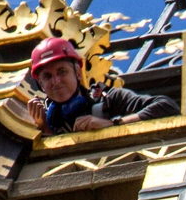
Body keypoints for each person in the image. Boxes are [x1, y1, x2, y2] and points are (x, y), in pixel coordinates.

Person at [25, 37, 177, 135]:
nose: (56, 81)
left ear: (78, 73)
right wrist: (44, 131)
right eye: (47, 76)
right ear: (40, 84)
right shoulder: (39, 118)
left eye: (62, 72)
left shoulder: (107, 99)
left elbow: (167, 107)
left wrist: (112, 124)